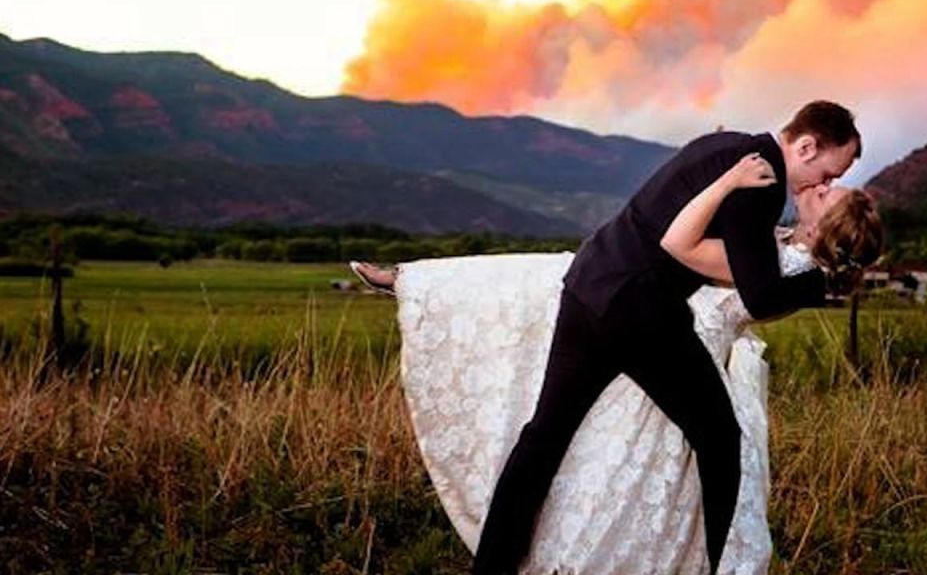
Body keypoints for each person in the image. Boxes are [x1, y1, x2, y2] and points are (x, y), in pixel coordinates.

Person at [353, 100, 871, 573]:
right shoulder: (758, 179)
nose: (820, 185)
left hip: (588, 283)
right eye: (828, 172)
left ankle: (491, 568)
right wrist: (816, 282)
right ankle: (716, 565)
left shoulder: (727, 144)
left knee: (544, 435)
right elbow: (758, 294)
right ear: (806, 147)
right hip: (640, 312)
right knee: (719, 438)